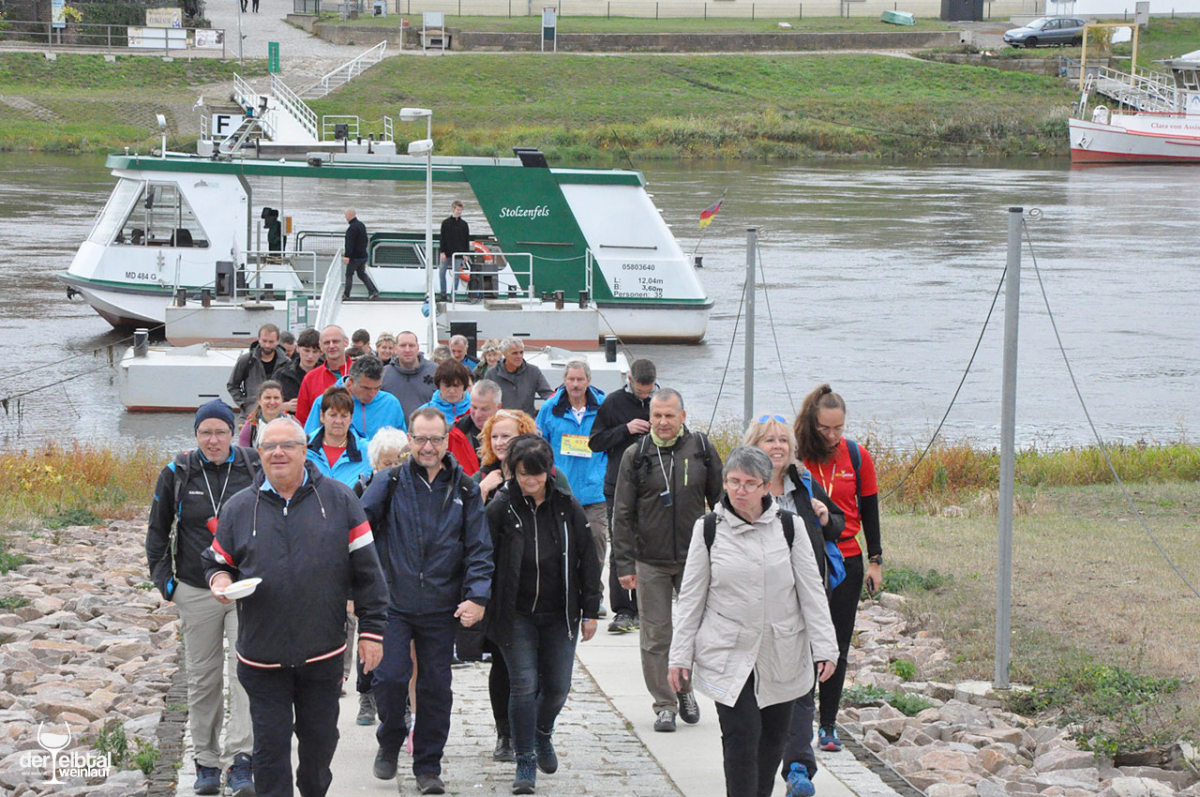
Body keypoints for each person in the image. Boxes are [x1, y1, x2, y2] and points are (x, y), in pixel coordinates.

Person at [202, 417, 388, 797]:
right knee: (269, 753)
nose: (278, 453)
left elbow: (368, 573)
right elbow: (217, 561)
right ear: (259, 453)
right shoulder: (240, 507)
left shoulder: (340, 500)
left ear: (305, 451)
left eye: (287, 445)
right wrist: (220, 581)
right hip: (261, 656)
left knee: (319, 749)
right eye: (269, 446)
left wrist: (372, 633)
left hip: (323, 653)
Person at [668, 447, 839, 797]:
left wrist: (825, 648)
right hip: (727, 651)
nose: (740, 490)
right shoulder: (708, 529)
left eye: (749, 483)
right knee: (741, 735)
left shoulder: (789, 527)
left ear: (765, 486)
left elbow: (811, 592)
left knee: (773, 739)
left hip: (780, 651)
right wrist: (679, 656)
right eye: (733, 482)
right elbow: (691, 599)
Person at [360, 407, 493, 795]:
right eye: (420, 439)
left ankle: (428, 766)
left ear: (447, 439)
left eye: (436, 439)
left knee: (436, 689)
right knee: (390, 677)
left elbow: (479, 548)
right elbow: (359, 535)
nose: (428, 447)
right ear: (410, 439)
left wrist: (477, 596)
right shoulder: (389, 482)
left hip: (441, 605)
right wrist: (358, 590)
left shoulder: (465, 489)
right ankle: (390, 739)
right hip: (393, 603)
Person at [146, 400, 257, 797]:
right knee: (203, 678)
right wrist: (168, 585)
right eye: (205, 432)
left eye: (220, 432)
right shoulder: (177, 472)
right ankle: (206, 761)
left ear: (233, 433)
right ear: (195, 435)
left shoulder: (254, 467)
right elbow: (157, 532)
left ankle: (241, 760)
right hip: (195, 589)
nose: (213, 440)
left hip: (244, 590)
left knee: (245, 676)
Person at [483, 437, 601, 795]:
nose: (530, 482)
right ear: (513, 472)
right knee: (523, 685)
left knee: (557, 688)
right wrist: (478, 601)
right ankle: (524, 759)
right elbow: (482, 557)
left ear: (548, 472)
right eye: (523, 475)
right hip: (515, 613)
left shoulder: (567, 507)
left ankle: (541, 731)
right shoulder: (501, 508)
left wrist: (591, 609)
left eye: (536, 475)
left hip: (559, 613)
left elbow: (588, 559)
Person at [611, 387, 722, 733]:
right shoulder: (636, 455)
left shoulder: (701, 449)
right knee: (656, 636)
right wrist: (624, 565)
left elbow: (721, 504)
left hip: (695, 560)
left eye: (669, 415)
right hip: (650, 561)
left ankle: (684, 688)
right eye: (656, 415)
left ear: (682, 417)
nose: (662, 422)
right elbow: (622, 513)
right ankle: (664, 704)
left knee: (694, 633)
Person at [746, 415, 845, 797]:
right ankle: (758, 761)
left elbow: (838, 525)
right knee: (762, 689)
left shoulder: (804, 484)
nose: (777, 447)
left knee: (802, 685)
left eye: (783, 441)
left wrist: (825, 516)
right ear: (754, 446)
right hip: (756, 606)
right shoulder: (743, 487)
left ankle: (799, 768)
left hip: (802, 600)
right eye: (769, 440)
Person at [795, 384, 883, 755]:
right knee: (801, 642)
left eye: (838, 428)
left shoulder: (857, 456)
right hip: (805, 557)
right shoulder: (796, 456)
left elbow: (870, 509)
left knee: (836, 644)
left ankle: (828, 724)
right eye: (824, 429)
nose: (831, 436)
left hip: (846, 559)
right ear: (810, 423)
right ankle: (798, 721)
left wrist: (875, 560)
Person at [588, 358, 657, 634]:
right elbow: (595, 442)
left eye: (648, 392)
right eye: (640, 391)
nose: (644, 396)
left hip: (653, 486)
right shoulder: (613, 402)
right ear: (629, 380)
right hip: (617, 485)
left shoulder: (662, 402)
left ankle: (642, 608)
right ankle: (623, 610)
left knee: (649, 546)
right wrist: (625, 429)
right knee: (620, 546)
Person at [349, 427, 410, 728]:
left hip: (404, 578)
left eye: (398, 461)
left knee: (402, 647)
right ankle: (366, 694)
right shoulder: (363, 490)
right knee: (370, 637)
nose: (393, 468)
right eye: (387, 463)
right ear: (375, 464)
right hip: (373, 577)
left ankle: (405, 702)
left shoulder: (411, 490)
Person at [535, 360, 608, 612]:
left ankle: (594, 597)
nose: (575, 384)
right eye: (571, 379)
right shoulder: (550, 408)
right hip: (560, 490)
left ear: (589, 381)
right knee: (560, 546)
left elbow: (612, 440)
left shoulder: (604, 407)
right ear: (564, 380)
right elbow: (539, 444)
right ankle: (564, 595)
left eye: (580, 379)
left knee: (596, 543)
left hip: (594, 491)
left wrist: (603, 472)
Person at [303, 355, 407, 440]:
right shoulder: (324, 402)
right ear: (351, 381)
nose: (372, 394)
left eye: (377, 388)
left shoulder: (391, 403)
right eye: (366, 388)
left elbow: (404, 447)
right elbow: (309, 443)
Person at [305, 387, 373, 488]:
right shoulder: (304, 448)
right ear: (322, 416)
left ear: (351, 418)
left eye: (344, 416)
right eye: (333, 415)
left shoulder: (369, 452)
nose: (338, 421)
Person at [296, 326, 352, 424]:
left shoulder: (360, 373)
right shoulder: (310, 378)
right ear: (321, 346)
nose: (331, 346)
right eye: (327, 343)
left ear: (346, 342)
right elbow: (302, 419)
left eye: (335, 341)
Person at [227, 323, 282, 419]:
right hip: (250, 415)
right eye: (264, 341)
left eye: (271, 342)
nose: (267, 345)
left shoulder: (286, 363)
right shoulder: (246, 360)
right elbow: (232, 385)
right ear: (259, 339)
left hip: (278, 415)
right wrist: (244, 404)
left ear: (277, 341)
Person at [486, 338, 552, 418]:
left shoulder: (533, 371)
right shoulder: (491, 374)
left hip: (526, 423)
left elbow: (548, 394)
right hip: (501, 422)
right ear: (505, 354)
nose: (519, 356)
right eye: (515, 353)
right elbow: (485, 400)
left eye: (521, 352)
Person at [381, 330, 438, 420]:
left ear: (418, 348)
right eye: (403, 346)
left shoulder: (435, 371)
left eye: (411, 345)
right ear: (395, 348)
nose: (407, 350)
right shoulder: (384, 374)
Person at [276, 328, 321, 414]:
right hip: (289, 419)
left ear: (321, 352)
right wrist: (284, 406)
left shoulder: (327, 374)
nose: (310, 356)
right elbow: (267, 402)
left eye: (315, 352)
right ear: (298, 348)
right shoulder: (282, 374)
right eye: (306, 351)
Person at [417, 360, 472, 427]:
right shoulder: (423, 413)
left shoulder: (475, 411)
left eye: (456, 386)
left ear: (464, 386)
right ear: (439, 385)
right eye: (447, 386)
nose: (452, 391)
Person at [238, 380, 291, 449]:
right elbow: (244, 453)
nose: (272, 402)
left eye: (276, 398)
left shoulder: (292, 423)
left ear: (282, 400)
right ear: (259, 400)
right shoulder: (250, 427)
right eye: (267, 398)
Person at [456, 379, 501, 454]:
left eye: (484, 409)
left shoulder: (513, 433)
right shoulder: (456, 432)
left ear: (498, 407)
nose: (477, 414)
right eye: (474, 407)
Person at [343, 208, 380, 301]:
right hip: (363, 256)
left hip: (354, 257)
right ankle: (372, 292)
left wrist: (347, 256)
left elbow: (349, 244)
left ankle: (346, 295)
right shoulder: (361, 225)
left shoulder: (351, 229)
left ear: (349, 215)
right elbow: (365, 240)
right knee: (361, 274)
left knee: (349, 275)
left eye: (345, 215)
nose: (345, 217)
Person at [438, 200, 470, 300]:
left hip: (458, 253)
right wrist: (442, 252)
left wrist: (466, 254)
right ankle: (443, 294)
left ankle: (453, 295)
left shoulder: (464, 224)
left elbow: (466, 239)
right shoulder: (445, 223)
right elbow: (442, 238)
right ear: (453, 209)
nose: (459, 211)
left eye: (460, 210)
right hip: (447, 252)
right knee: (442, 273)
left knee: (456, 275)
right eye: (458, 209)